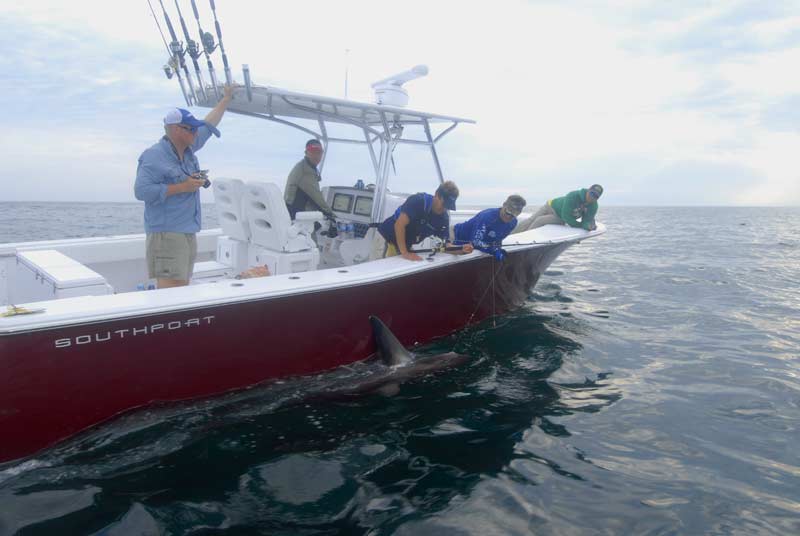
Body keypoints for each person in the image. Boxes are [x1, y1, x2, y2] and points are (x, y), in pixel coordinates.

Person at [134, 85, 234, 289]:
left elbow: (209, 123)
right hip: (167, 234)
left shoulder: (189, 149)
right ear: (176, 130)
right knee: (171, 292)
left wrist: (226, 98)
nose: (197, 132)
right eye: (192, 129)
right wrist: (183, 187)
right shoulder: (154, 156)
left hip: (187, 231)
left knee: (182, 287)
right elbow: (141, 191)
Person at [372, 181, 471, 261]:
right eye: (443, 204)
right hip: (386, 238)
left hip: (404, 246)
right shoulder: (419, 201)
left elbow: (446, 245)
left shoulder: (443, 218)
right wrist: (405, 253)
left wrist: (460, 250)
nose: (444, 209)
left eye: (447, 206)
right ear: (437, 195)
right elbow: (399, 225)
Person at [453, 195, 526, 262]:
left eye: (514, 215)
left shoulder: (513, 223)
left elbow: (498, 239)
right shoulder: (487, 217)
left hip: (474, 244)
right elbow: (475, 241)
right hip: (455, 236)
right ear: (504, 205)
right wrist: (494, 251)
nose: (509, 216)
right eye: (508, 212)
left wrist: (498, 249)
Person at [514, 184, 603, 233]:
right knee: (531, 219)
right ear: (588, 190)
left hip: (560, 217)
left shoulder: (593, 206)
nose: (592, 197)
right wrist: (581, 226)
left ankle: (526, 239)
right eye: (592, 193)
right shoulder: (573, 195)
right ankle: (511, 236)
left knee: (539, 220)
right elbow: (567, 215)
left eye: (596, 196)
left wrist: (588, 226)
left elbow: (586, 220)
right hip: (550, 205)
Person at [284, 139, 335, 219]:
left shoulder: (305, 166)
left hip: (293, 213)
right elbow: (318, 200)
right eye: (313, 152)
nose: (317, 156)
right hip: (296, 219)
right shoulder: (305, 170)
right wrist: (333, 216)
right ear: (306, 153)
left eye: (319, 152)